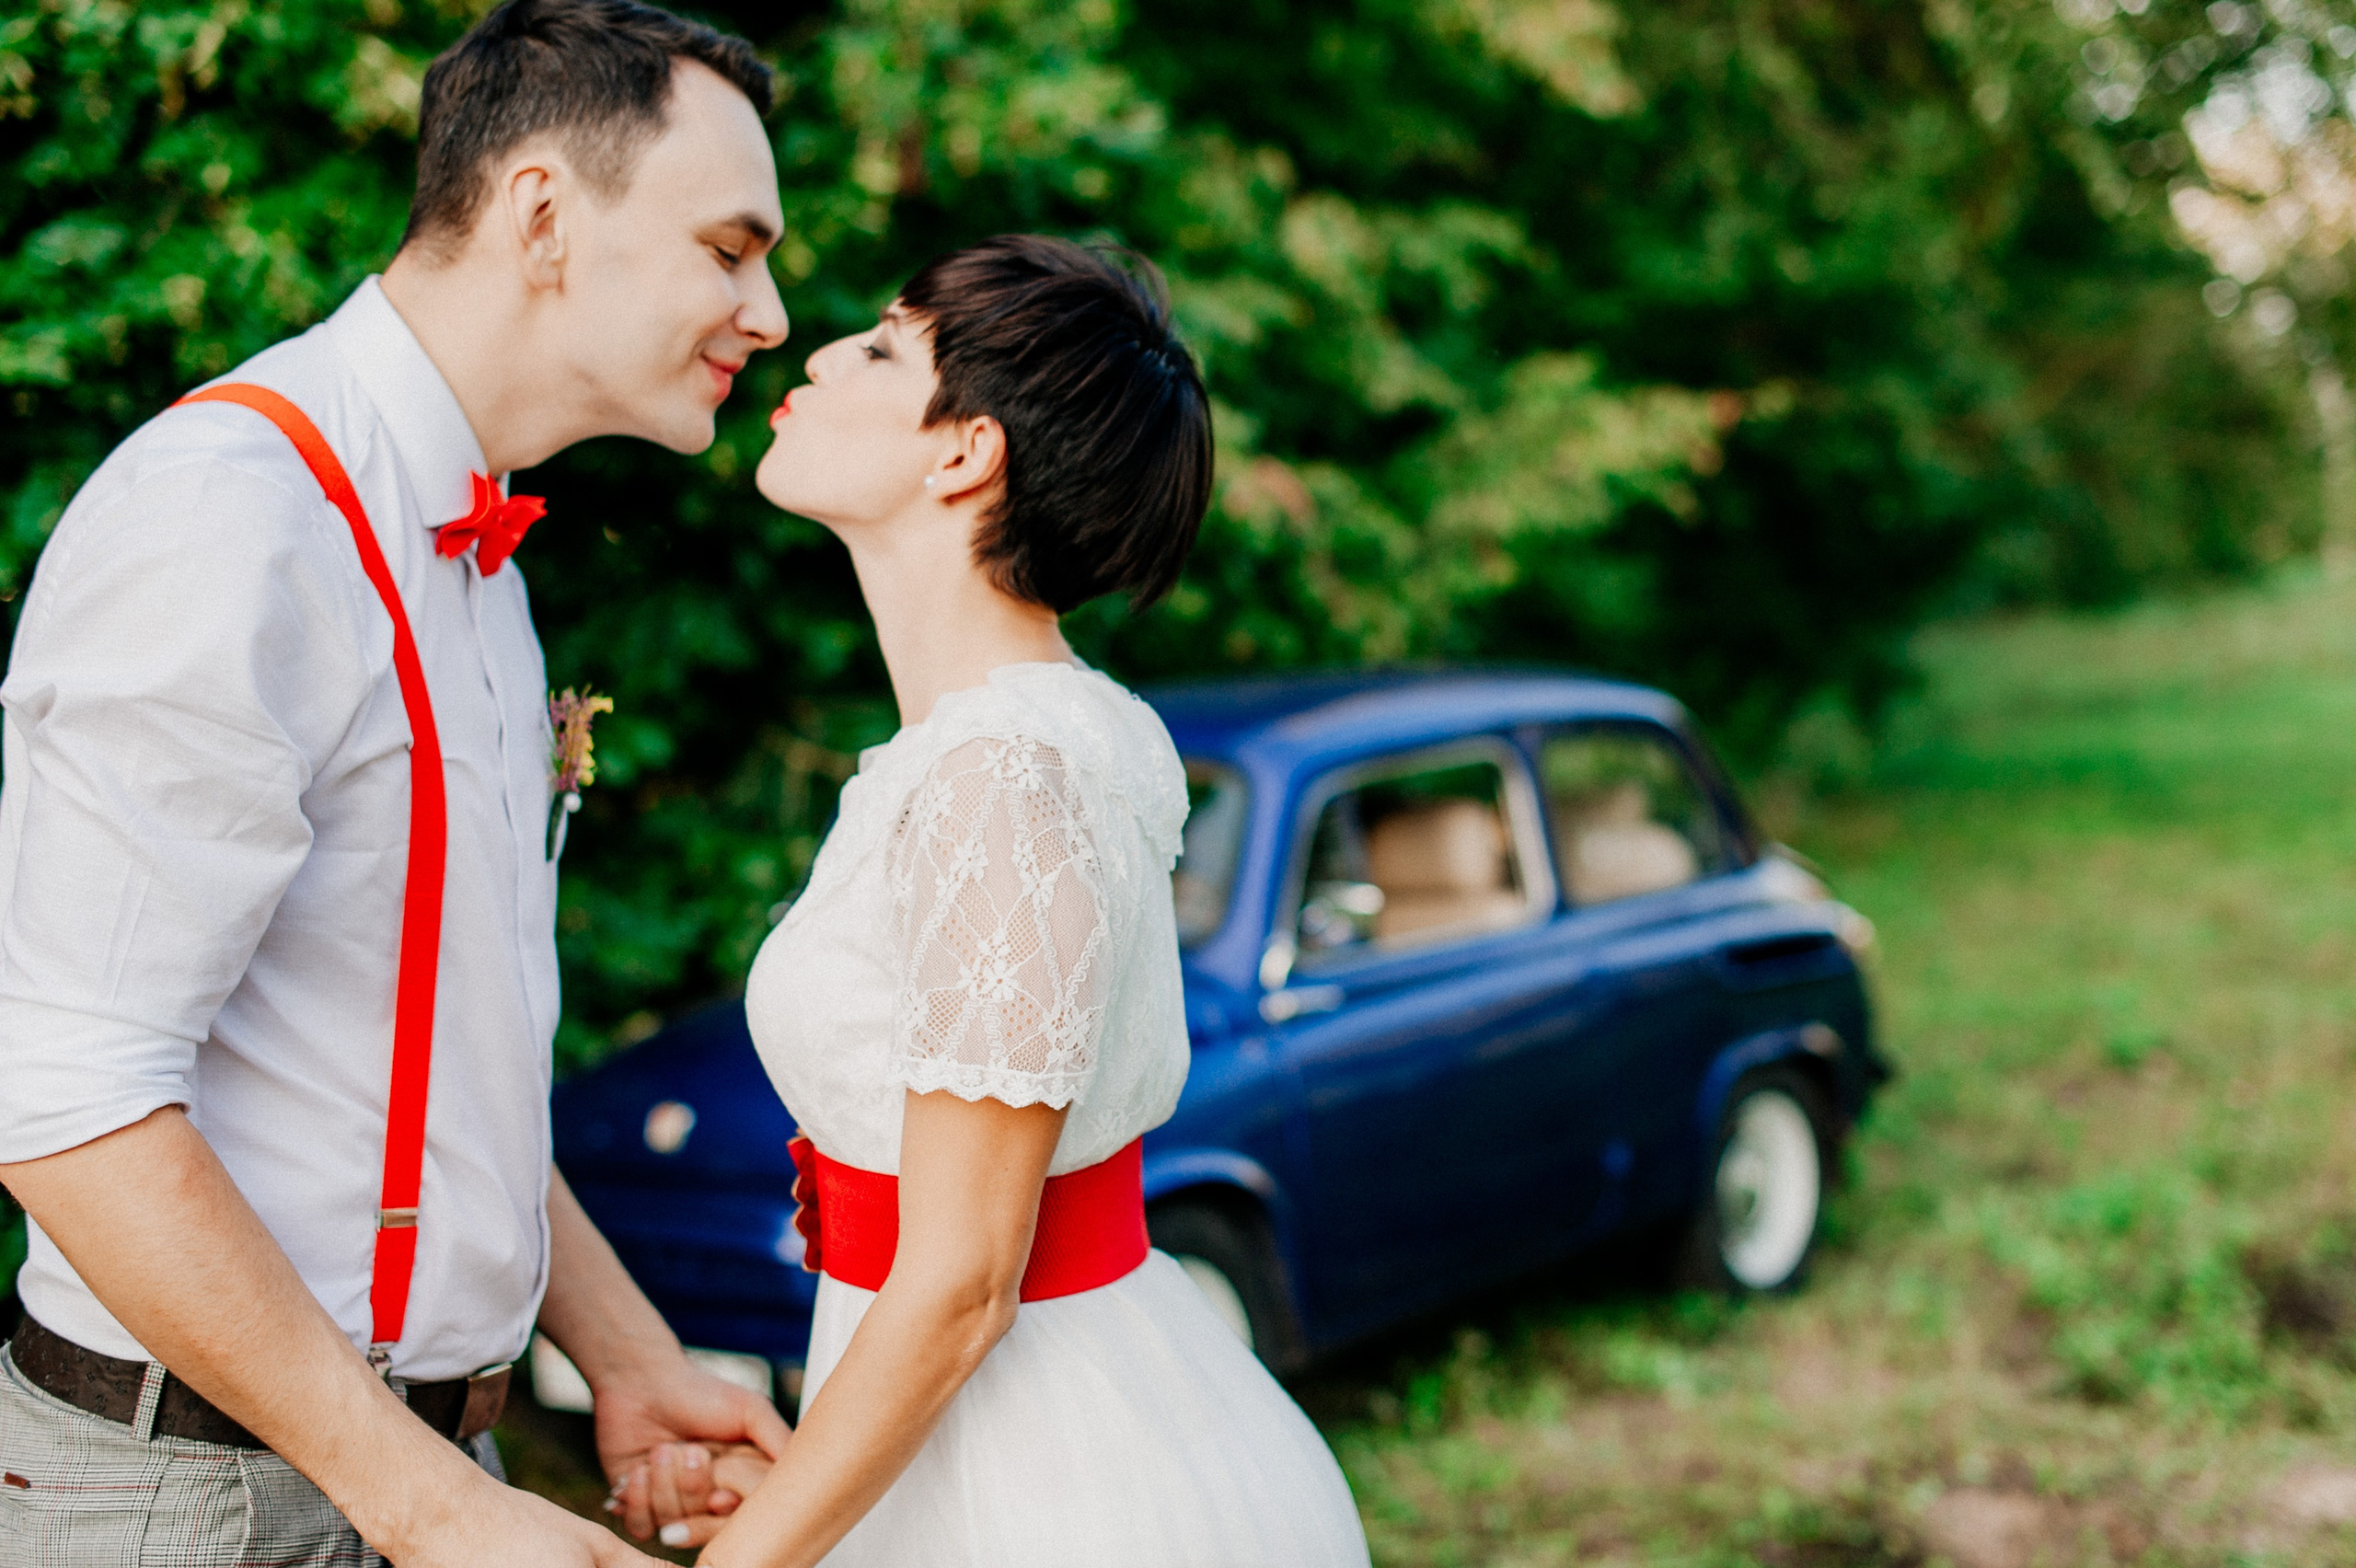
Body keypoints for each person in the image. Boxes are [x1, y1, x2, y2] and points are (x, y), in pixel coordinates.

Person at [0, 3, 793, 1563]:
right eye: (730, 247)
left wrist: (626, 1358)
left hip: (376, 1475)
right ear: (545, 214)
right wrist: (428, 1502)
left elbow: (434, 1071)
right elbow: (62, 1096)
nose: (766, 312)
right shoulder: (236, 514)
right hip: (193, 1499)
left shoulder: (481, 559)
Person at [676, 235, 1373, 1567]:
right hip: (977, 1430)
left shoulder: (1004, 776)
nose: (813, 355)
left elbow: (956, 1285)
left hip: (1037, 1479)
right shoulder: (1034, 737)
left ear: (964, 453)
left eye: (880, 348)